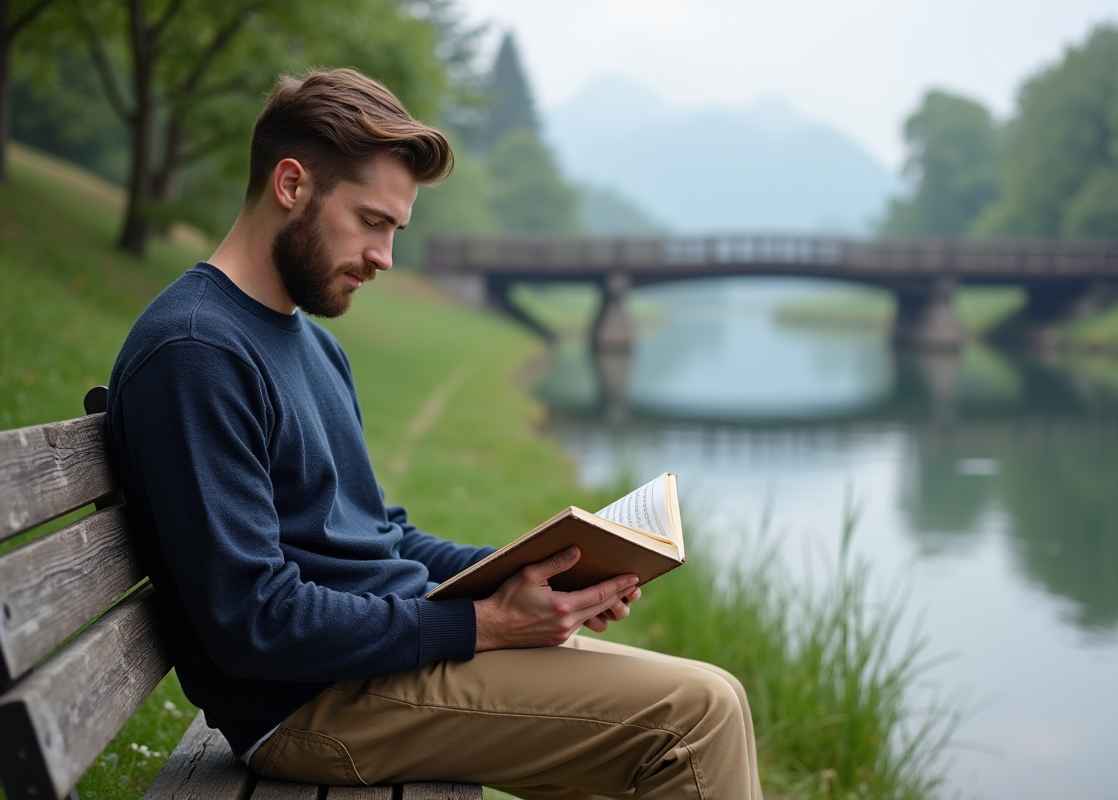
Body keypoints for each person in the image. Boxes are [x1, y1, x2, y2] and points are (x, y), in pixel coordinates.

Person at [106, 68, 762, 800]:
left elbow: (379, 533)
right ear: (291, 185)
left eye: (395, 229)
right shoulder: (197, 352)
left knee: (712, 697)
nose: (385, 258)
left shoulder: (311, 345)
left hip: (378, 669)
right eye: (372, 222)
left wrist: (535, 573)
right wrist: (482, 625)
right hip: (308, 707)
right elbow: (253, 618)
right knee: (698, 716)